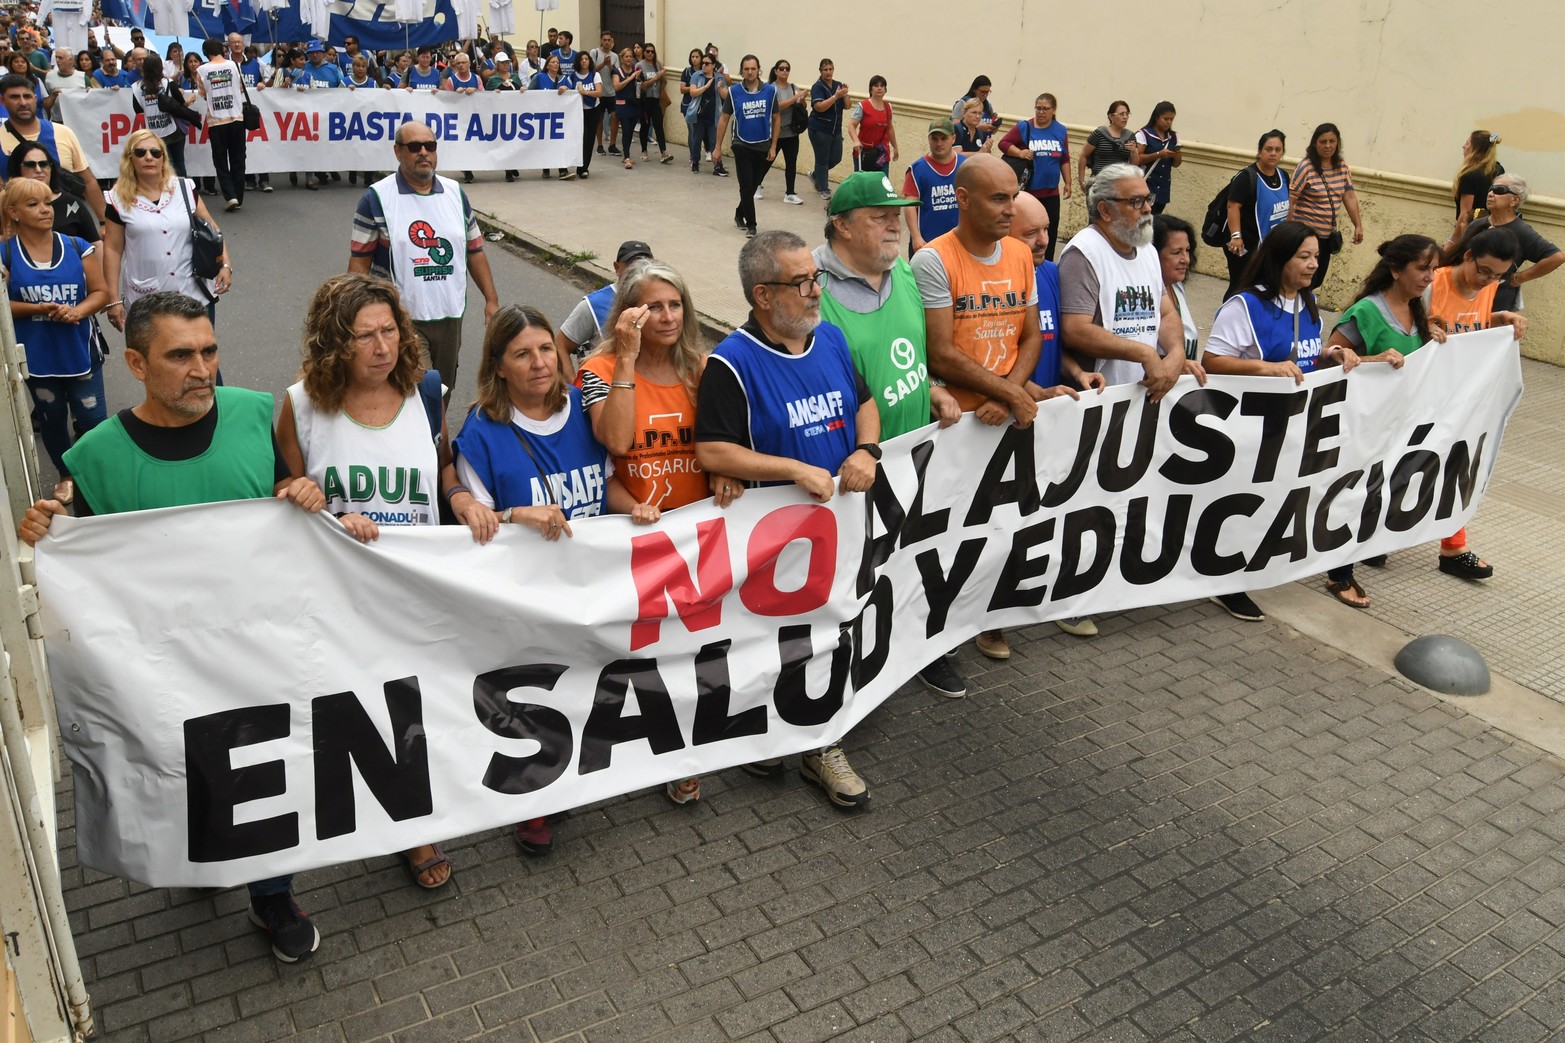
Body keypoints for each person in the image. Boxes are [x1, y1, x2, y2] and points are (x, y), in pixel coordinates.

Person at [17, 291, 328, 963]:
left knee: (264, 765)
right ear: (134, 361)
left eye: (209, 351)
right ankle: (203, 853)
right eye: (180, 355)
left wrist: (304, 493)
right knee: (190, 768)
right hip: (165, 661)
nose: (201, 368)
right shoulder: (92, 457)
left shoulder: (253, 412)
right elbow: (87, 572)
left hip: (255, 645)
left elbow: (288, 502)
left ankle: (272, 893)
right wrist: (46, 537)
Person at [273, 273, 470, 889]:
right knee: (357, 708)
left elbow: (439, 462)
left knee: (410, 702)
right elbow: (283, 493)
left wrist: (459, 495)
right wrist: (315, 503)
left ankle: (414, 829)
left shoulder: (424, 390)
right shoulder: (301, 403)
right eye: (364, 336)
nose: (382, 347)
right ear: (335, 343)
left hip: (413, 585)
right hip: (340, 590)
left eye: (390, 331)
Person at [694, 230, 880, 808]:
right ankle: (773, 733)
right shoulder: (733, 364)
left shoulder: (830, 340)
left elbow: (865, 405)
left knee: (834, 632)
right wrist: (792, 469)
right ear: (763, 297)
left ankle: (822, 743)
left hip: (837, 530)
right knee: (775, 642)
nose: (815, 291)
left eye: (815, 277)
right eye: (801, 282)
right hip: (772, 543)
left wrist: (865, 451)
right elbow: (714, 451)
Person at [575, 260, 739, 804]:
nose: (668, 317)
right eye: (653, 308)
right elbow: (618, 442)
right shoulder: (597, 369)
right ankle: (655, 745)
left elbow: (723, 442)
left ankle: (685, 747)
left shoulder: (702, 368)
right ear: (627, 315)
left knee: (699, 645)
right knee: (646, 651)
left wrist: (724, 467)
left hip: (699, 534)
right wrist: (625, 356)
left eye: (675, 305)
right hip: (637, 534)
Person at [815, 171, 966, 696]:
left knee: (917, 556)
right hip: (857, 467)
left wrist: (936, 386)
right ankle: (844, 667)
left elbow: (913, 351)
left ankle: (921, 645)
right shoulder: (812, 291)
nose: (894, 225)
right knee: (858, 574)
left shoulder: (900, 270)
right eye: (879, 216)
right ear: (841, 225)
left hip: (917, 454)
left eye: (896, 213)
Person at [911, 153, 1062, 662]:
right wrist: (1009, 393)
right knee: (948, 534)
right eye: (998, 198)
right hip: (956, 428)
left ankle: (991, 620)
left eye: (1013, 196)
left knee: (1007, 527)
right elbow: (940, 351)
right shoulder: (933, 259)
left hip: (1006, 416)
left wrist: (1010, 392)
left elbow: (1032, 334)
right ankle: (934, 643)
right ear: (963, 199)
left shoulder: (1020, 253)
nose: (1009, 207)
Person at [1201, 221, 1365, 619]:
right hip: (1250, 427)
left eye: (1316, 257)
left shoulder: (1307, 302)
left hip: (1295, 427)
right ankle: (1225, 583)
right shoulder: (1246, 305)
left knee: (1277, 502)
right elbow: (1211, 361)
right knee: (1240, 503)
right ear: (1279, 259)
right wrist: (1263, 369)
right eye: (1303, 257)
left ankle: (1254, 568)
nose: (1313, 265)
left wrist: (1332, 355)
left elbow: (1305, 358)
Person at [1320, 234, 1446, 606]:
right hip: (1361, 426)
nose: (1429, 277)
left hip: (1397, 425)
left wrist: (1434, 335)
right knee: (1357, 493)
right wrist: (1374, 361)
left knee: (1385, 490)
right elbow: (1329, 358)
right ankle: (1339, 574)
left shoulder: (1418, 308)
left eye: (1433, 270)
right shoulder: (1367, 312)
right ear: (1395, 269)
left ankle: (1365, 547)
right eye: (1422, 268)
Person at [1007, 188, 1107, 639]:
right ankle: (994, 621)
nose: (1044, 240)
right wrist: (1032, 391)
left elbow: (1054, 344)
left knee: (1055, 512)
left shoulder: (1048, 274)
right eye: (1031, 232)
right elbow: (990, 358)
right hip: (1010, 420)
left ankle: (1054, 596)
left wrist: (1077, 373)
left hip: (1053, 416)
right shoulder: (999, 279)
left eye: (1047, 229)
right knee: (1007, 519)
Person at [349, 121, 500, 394]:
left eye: (429, 146)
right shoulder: (376, 199)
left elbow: (474, 250)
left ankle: (435, 436)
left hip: (450, 315)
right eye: (414, 147)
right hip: (401, 318)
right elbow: (359, 261)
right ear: (397, 152)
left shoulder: (455, 194)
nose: (423, 153)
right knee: (421, 390)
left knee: (444, 389)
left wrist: (491, 300)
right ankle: (429, 436)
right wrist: (355, 313)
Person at [0, 176, 108, 504]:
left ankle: (98, 477)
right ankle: (66, 475)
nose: (46, 210)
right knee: (52, 418)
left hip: (80, 351)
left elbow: (100, 292)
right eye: (34, 204)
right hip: (37, 356)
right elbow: (3, 304)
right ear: (14, 212)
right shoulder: (6, 254)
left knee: (92, 420)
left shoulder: (76, 246)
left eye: (47, 203)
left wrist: (78, 311)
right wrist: (39, 308)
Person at [1058, 163, 1199, 399]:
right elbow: (1075, 330)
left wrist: (1176, 353)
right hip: (1098, 397)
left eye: (1148, 199)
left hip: (1138, 394)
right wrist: (1144, 353)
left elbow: (1165, 313)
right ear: (1105, 210)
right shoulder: (1084, 253)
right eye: (1135, 202)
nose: (1146, 209)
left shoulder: (1147, 251)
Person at [102, 129, 232, 332]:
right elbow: (112, 249)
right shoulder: (117, 199)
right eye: (140, 152)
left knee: (202, 361)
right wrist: (113, 299)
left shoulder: (184, 189)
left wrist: (225, 264)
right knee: (154, 361)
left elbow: (212, 228)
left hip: (193, 293)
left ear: (163, 158)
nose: (148, 157)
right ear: (130, 159)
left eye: (155, 152)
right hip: (147, 300)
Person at [0, 73, 106, 220]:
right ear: (2, 101)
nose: (23, 102)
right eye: (15, 97)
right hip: (19, 228)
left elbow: (88, 181)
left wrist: (103, 222)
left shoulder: (63, 133)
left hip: (66, 223)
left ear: (35, 99)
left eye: (27, 96)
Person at [1456, 175, 1561, 313]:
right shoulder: (1477, 224)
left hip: (1497, 300)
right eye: (1490, 189)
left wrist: (1518, 278)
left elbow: (1556, 257)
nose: (1491, 194)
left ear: (1514, 200)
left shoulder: (1521, 230)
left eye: (1499, 190)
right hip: (1465, 297)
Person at [554, 239, 653, 373]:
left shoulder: (659, 301)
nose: (638, 269)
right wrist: (573, 388)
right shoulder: (593, 304)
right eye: (631, 263)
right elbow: (561, 344)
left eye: (645, 263)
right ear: (617, 268)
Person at [1287, 123, 1365, 289]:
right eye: (1323, 141)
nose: (1328, 145)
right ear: (1315, 143)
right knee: (1302, 279)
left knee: (1317, 280)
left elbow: (1349, 197)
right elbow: (1291, 199)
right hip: (1305, 237)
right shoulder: (1306, 167)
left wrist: (1357, 225)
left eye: (1332, 141)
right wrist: (1287, 230)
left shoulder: (1342, 167)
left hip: (1325, 237)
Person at [998, 94, 1071, 262]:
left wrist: (1068, 182)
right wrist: (1020, 152)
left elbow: (1064, 158)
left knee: (1049, 233)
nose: (1041, 112)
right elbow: (1004, 143)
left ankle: (1047, 265)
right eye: (1038, 108)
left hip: (1051, 193)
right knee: (1025, 232)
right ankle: (1020, 262)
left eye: (1045, 109)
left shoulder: (1060, 130)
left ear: (1053, 110)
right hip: (1029, 192)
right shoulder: (1025, 127)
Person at [714, 55, 779, 239]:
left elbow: (776, 118)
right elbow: (724, 118)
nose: (750, 72)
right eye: (746, 69)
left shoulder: (770, 91)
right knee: (746, 185)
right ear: (741, 71)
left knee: (753, 184)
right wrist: (717, 147)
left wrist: (773, 145)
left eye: (753, 68)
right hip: (741, 143)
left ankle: (739, 212)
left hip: (763, 144)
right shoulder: (734, 92)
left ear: (759, 70)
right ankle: (752, 225)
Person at [1223, 130, 1289, 298]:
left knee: (1265, 287)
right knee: (1240, 287)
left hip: (1271, 247)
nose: (1273, 153)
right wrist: (1236, 236)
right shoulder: (1247, 177)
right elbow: (1233, 206)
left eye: (1277, 149)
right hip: (1246, 246)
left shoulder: (1284, 177)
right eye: (1268, 149)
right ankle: (1226, 319)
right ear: (1260, 151)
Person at [195, 38, 247, 212]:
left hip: (216, 120)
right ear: (222, 50)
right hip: (236, 118)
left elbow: (202, 93)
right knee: (238, 158)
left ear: (205, 52)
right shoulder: (234, 65)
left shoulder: (201, 70)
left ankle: (230, 195)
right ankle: (238, 196)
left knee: (220, 160)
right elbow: (240, 88)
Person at [903, 118, 964, 254]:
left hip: (959, 242)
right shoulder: (917, 169)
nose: (939, 143)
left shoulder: (965, 166)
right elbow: (909, 205)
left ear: (953, 139)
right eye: (934, 139)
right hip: (927, 244)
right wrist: (916, 237)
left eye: (943, 138)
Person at [132, 55, 196, 179]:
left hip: (153, 132)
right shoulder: (168, 83)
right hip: (174, 130)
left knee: (163, 164)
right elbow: (181, 105)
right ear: (160, 68)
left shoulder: (136, 87)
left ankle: (166, 190)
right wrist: (190, 99)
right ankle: (182, 191)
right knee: (178, 162)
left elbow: (137, 109)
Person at [1153, 213, 1200, 361]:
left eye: (1187, 250)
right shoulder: (1145, 294)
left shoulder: (1177, 287)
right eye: (1176, 252)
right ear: (1153, 254)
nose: (1185, 259)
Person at [765, 59, 806, 204]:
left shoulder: (793, 87)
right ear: (775, 71)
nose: (784, 71)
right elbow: (776, 107)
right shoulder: (771, 88)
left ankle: (790, 192)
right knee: (767, 161)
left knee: (791, 163)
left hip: (791, 132)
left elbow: (799, 105)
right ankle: (756, 185)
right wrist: (794, 98)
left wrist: (801, 100)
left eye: (787, 69)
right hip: (775, 132)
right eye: (781, 68)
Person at [1128, 101, 1180, 215]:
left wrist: (1177, 155)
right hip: (1146, 184)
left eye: (1171, 119)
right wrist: (1158, 154)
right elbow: (1137, 159)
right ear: (1157, 117)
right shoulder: (1143, 134)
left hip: (1162, 188)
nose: (1169, 122)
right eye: (1165, 119)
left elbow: (1176, 164)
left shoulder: (1173, 137)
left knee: (1156, 221)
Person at [808, 57, 848, 200]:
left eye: (830, 69)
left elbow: (847, 106)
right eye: (825, 69)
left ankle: (816, 175)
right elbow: (819, 107)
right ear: (820, 71)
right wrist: (835, 96)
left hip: (835, 130)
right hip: (819, 128)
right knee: (822, 160)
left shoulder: (837, 85)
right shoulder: (817, 87)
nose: (828, 72)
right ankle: (824, 189)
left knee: (836, 158)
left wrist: (845, 94)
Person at [1451, 130, 1503, 241]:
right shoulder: (1498, 169)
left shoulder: (1468, 176)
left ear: (1476, 148)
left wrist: (1453, 240)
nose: (1463, 146)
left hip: (1471, 232)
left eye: (1467, 143)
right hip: (1493, 231)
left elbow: (1466, 212)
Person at [1078, 101, 1135, 187]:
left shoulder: (1130, 136)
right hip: (1099, 183)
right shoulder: (1099, 133)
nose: (1125, 117)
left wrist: (1134, 151)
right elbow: (1083, 155)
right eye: (1121, 114)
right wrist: (1081, 180)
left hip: (1120, 184)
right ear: (1111, 116)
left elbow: (1133, 165)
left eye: (1127, 114)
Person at [846, 75, 895, 174]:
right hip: (864, 153)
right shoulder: (862, 106)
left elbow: (890, 128)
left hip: (882, 154)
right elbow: (851, 125)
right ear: (871, 89)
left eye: (882, 86)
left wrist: (895, 147)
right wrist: (856, 141)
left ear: (885, 89)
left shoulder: (888, 107)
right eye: (876, 86)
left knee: (882, 184)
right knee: (863, 184)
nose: (879, 88)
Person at [568, 51, 604, 180]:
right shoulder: (572, 76)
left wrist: (585, 92)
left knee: (589, 140)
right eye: (581, 59)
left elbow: (599, 92)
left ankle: (584, 168)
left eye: (586, 59)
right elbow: (567, 89)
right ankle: (576, 162)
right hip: (577, 112)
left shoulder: (595, 75)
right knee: (579, 139)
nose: (584, 61)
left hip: (592, 110)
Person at [681, 51, 718, 174]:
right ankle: (695, 162)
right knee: (696, 139)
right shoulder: (697, 75)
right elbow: (692, 92)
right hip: (699, 114)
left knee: (714, 141)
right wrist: (705, 87)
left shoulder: (718, 77)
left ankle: (718, 165)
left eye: (707, 63)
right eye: (703, 63)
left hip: (713, 115)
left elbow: (724, 94)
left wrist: (722, 89)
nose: (704, 65)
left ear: (713, 65)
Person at [635, 42, 670, 163]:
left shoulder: (657, 65)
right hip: (645, 100)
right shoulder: (640, 66)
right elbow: (642, 86)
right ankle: (644, 151)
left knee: (659, 125)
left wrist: (661, 78)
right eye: (648, 51)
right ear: (644, 52)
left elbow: (664, 82)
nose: (650, 53)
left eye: (652, 51)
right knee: (645, 126)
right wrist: (655, 77)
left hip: (656, 100)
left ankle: (663, 152)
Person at [611, 48, 641, 169]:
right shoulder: (617, 71)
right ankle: (627, 157)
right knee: (626, 130)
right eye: (626, 56)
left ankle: (626, 154)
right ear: (622, 58)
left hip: (634, 104)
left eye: (630, 56)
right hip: (622, 105)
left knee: (630, 131)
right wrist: (630, 78)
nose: (629, 59)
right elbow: (617, 86)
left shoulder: (636, 70)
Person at [591, 31, 618, 154]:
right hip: (599, 92)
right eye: (605, 40)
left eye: (609, 40)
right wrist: (603, 64)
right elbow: (592, 71)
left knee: (614, 117)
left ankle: (612, 144)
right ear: (601, 40)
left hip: (611, 92)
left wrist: (610, 65)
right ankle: (600, 145)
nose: (607, 42)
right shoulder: (594, 53)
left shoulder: (615, 56)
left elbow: (616, 73)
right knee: (599, 119)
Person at [42, 46, 85, 119]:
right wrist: (53, 96)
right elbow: (46, 104)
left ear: (71, 60)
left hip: (77, 121)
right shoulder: (49, 77)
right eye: (56, 57)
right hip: (57, 121)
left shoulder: (83, 77)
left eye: (60, 58)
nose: (57, 60)